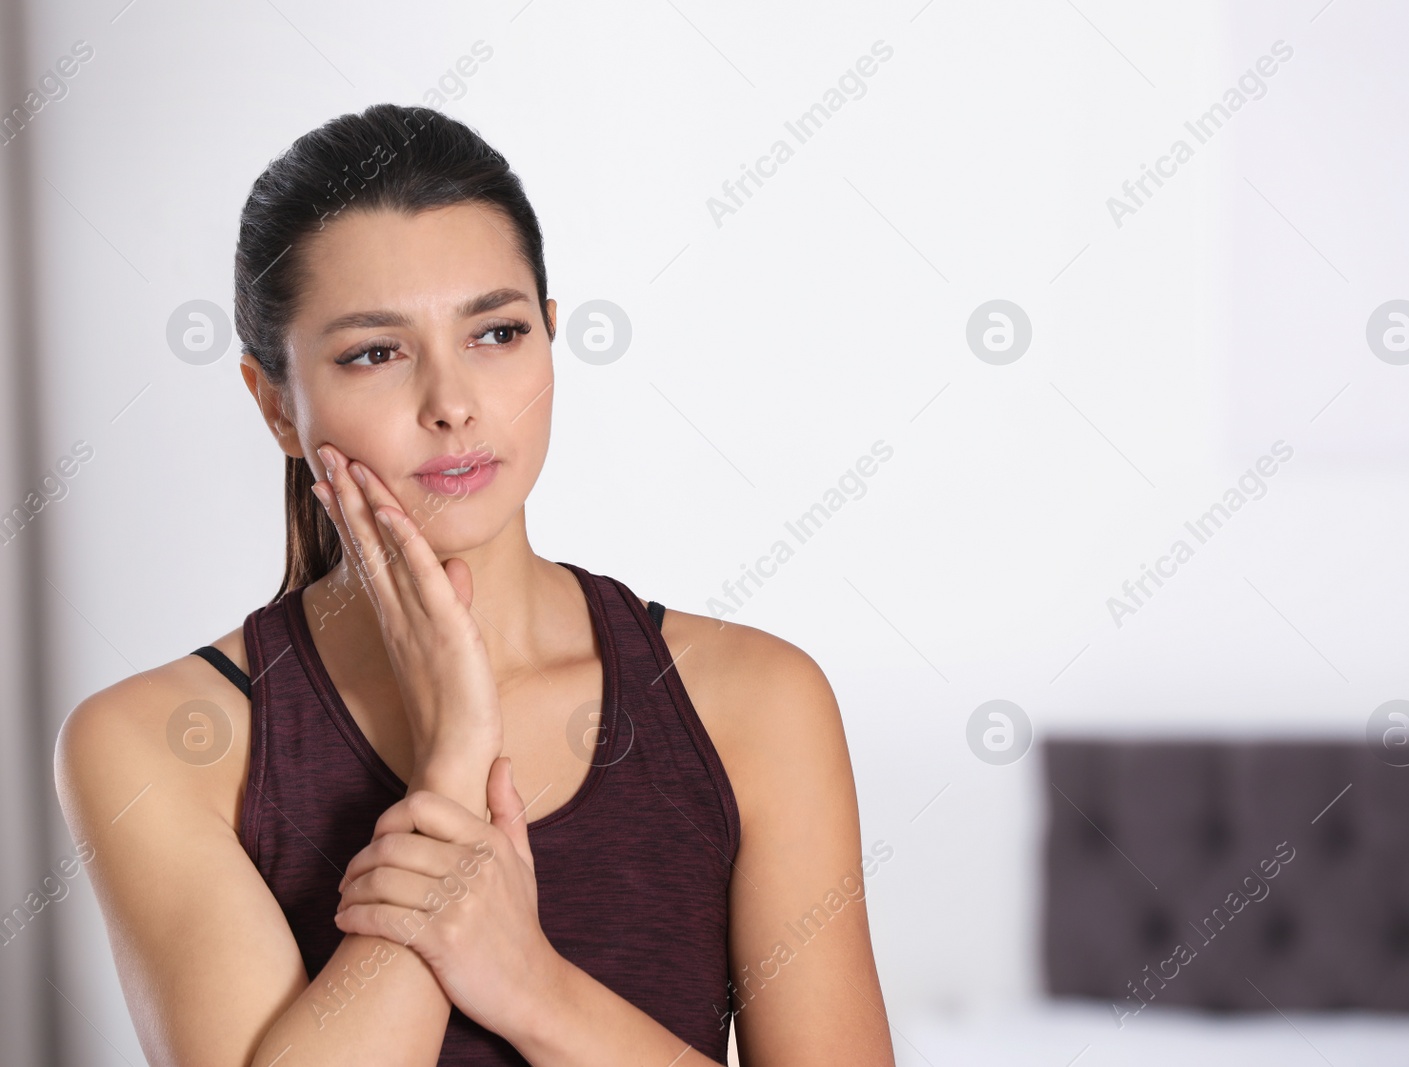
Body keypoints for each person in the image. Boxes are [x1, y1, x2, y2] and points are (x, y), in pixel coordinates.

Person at [53, 103, 895, 1066]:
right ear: (276, 403)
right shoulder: (154, 744)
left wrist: (531, 985)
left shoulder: (756, 702)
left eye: (495, 334)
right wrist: (453, 756)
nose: (451, 403)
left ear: (548, 337)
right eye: (375, 351)